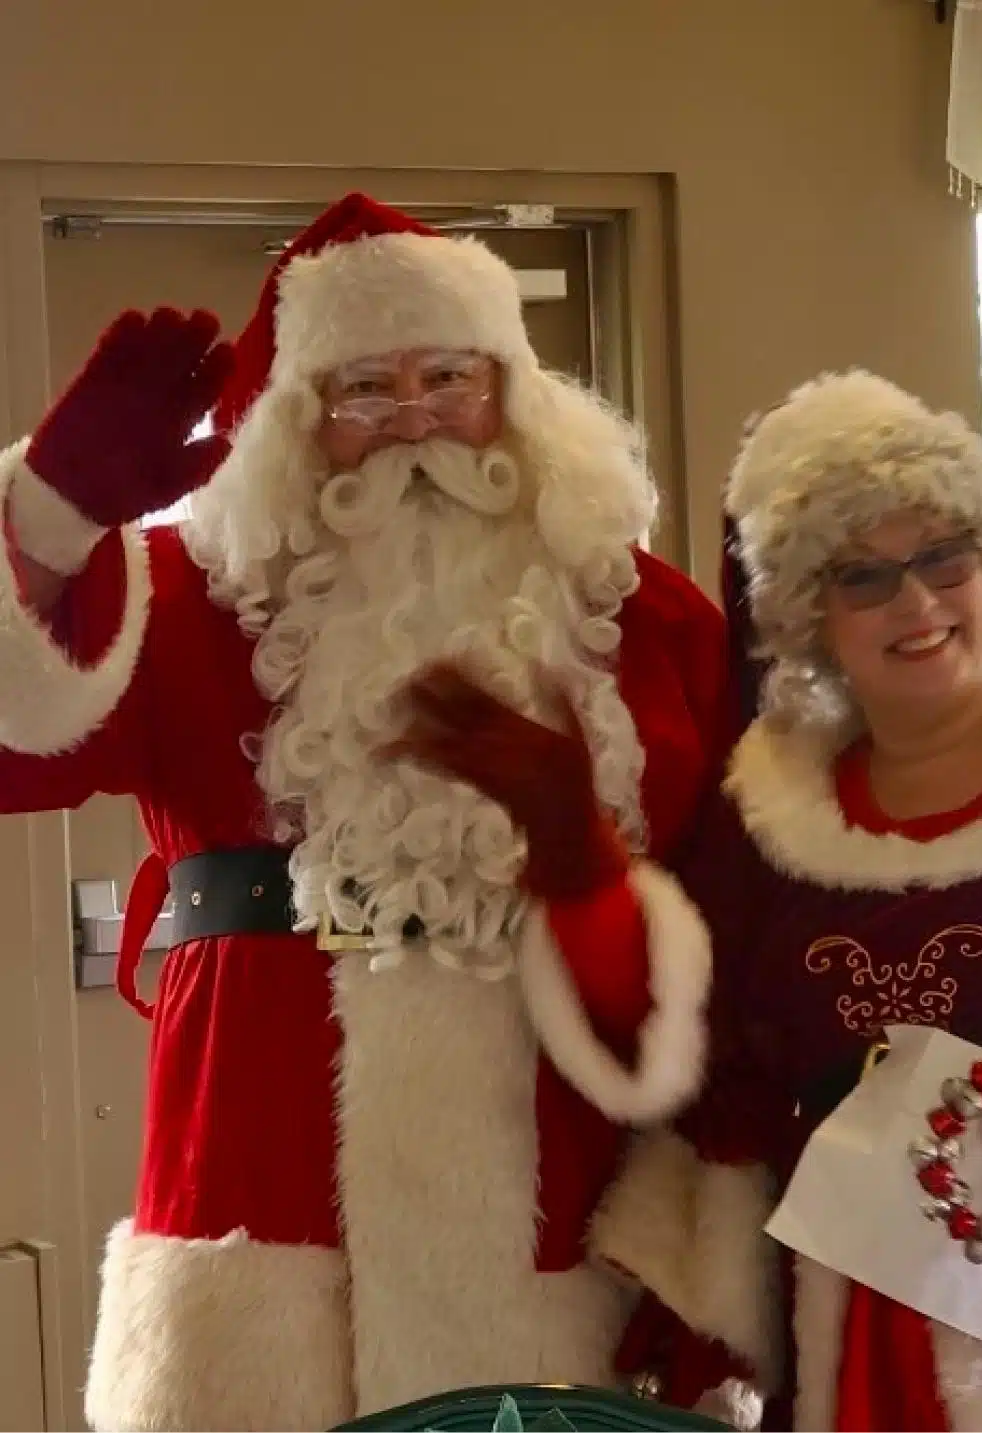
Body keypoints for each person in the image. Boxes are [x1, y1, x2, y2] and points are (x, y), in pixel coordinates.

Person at [0, 192, 735, 1431]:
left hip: (564, 1218)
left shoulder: (646, 619)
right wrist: (46, 523)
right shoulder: (187, 598)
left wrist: (705, 1247)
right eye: (363, 390)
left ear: (514, 393)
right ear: (296, 424)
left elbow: (744, 943)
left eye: (449, 376)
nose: (414, 424)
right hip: (254, 1203)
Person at [399, 370, 982, 1431]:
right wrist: (571, 849)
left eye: (941, 558)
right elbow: (680, 1053)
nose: (918, 603)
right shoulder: (766, 828)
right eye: (864, 578)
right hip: (848, 1337)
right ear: (809, 614)